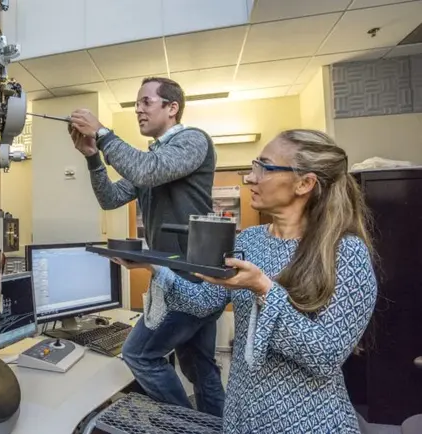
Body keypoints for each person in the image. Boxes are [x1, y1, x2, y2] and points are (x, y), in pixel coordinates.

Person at [119, 129, 378, 433]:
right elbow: (204, 302)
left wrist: (263, 289)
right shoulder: (251, 240)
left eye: (265, 168)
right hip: (242, 417)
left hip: (307, 422)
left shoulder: (345, 252)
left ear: (305, 183)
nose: (250, 179)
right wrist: (154, 265)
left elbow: (325, 356)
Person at [68, 77, 225, 416]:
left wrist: (104, 133)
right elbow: (111, 198)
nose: (138, 109)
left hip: (191, 280)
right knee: (199, 368)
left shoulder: (192, 140)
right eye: (136, 103)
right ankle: (214, 426)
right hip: (180, 272)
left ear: (172, 108)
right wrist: (93, 157)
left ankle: (185, 426)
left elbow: (146, 170)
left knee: (140, 354)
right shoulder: (154, 158)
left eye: (146, 102)